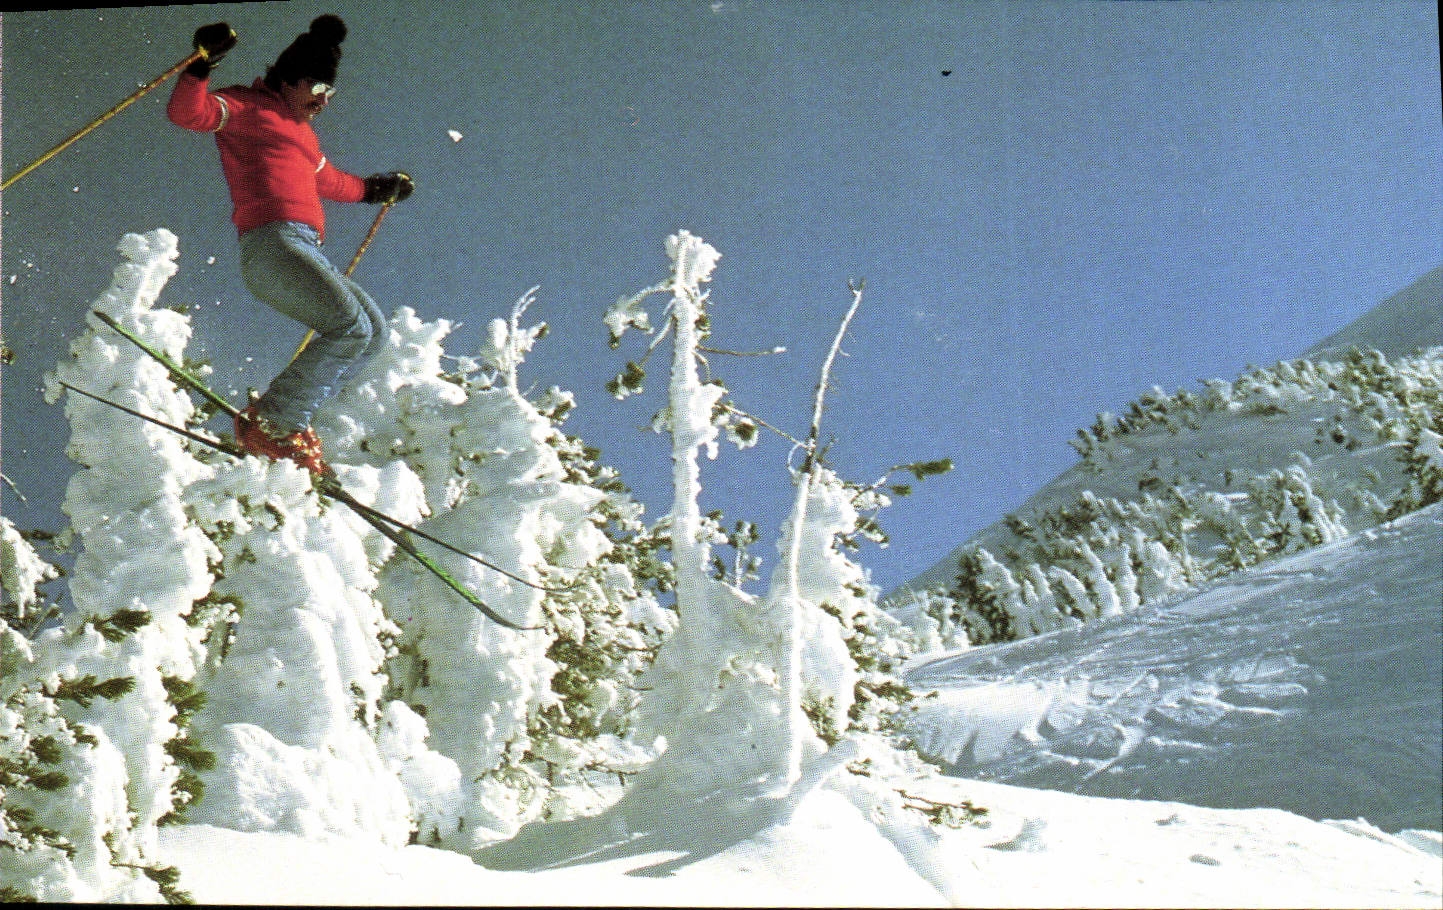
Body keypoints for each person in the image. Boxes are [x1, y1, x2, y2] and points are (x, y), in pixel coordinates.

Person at [167, 15, 413, 474]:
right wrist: (202, 65)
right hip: (272, 243)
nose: (322, 101)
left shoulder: (303, 134)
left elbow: (330, 181)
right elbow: (189, 114)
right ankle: (278, 422)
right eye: (317, 88)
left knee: (374, 335)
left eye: (330, 93)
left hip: (304, 246)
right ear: (289, 79)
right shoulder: (247, 105)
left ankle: (287, 420)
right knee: (351, 328)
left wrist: (374, 190)